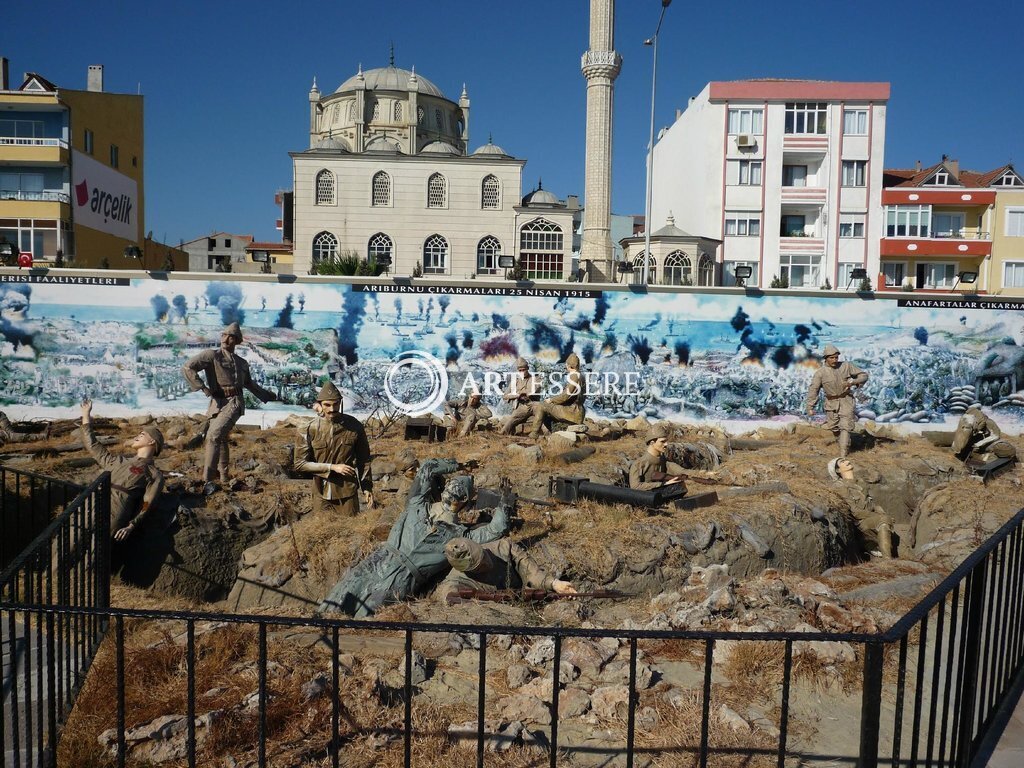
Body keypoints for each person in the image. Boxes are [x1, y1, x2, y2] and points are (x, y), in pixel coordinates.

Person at [318, 459, 513, 617]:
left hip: (400, 576)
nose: (451, 492)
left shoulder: (454, 532)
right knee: (337, 602)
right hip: (380, 562)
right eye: (451, 487)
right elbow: (428, 467)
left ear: (460, 500)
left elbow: (496, 529)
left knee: (364, 618)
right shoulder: (422, 507)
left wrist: (503, 501)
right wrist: (459, 466)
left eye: (456, 490)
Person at [182, 322, 277, 490]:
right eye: (224, 335)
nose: (226, 339)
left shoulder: (242, 363)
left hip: (234, 402)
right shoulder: (212, 355)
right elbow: (188, 367)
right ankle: (223, 477)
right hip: (216, 404)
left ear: (237, 341)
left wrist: (266, 395)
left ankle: (207, 480)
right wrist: (203, 388)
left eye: (231, 337)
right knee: (220, 438)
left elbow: (249, 384)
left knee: (213, 436)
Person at [79, 399, 164, 547]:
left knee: (94, 557)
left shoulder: (154, 473)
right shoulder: (117, 460)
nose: (137, 436)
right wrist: (86, 416)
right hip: (90, 504)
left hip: (114, 513)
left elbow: (147, 503)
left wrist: (131, 525)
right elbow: (93, 445)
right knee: (64, 547)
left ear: (152, 442)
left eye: (142, 434)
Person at [293, 381, 373, 515]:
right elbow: (300, 464)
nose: (332, 409)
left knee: (349, 530)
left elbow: (364, 460)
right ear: (320, 405)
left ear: (340, 402)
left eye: (335, 404)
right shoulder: (308, 428)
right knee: (321, 531)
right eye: (327, 405)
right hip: (320, 491)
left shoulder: (354, 426)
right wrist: (332, 467)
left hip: (347, 491)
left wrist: (367, 487)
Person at [437, 537, 576, 602]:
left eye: (483, 557)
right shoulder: (456, 579)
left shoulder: (504, 547)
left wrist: (554, 584)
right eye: (479, 567)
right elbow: (446, 594)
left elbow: (531, 571)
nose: (486, 564)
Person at [806, 344, 868, 458]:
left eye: (836, 357)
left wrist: (852, 382)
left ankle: (843, 455)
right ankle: (842, 442)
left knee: (845, 426)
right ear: (826, 358)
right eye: (831, 358)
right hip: (831, 403)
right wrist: (810, 407)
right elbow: (813, 390)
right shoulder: (820, 373)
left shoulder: (846, 366)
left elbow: (864, 376)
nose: (834, 360)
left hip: (846, 400)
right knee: (834, 427)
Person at [828, 457, 894, 558]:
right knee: (883, 519)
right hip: (859, 525)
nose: (847, 461)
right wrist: (878, 515)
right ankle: (887, 560)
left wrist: (879, 510)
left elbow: (871, 503)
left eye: (846, 460)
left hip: (871, 520)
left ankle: (874, 546)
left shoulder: (860, 483)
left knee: (886, 519)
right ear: (837, 470)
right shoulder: (840, 487)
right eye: (842, 462)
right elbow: (855, 512)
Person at [528, 353, 586, 439]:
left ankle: (534, 434)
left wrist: (551, 400)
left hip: (571, 411)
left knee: (542, 405)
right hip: (577, 411)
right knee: (548, 411)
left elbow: (565, 396)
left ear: (569, 365)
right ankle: (552, 432)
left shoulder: (574, 376)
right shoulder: (581, 376)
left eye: (566, 364)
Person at [629, 424, 688, 491]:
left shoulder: (663, 460)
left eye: (666, 441)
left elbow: (680, 470)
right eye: (662, 441)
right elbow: (635, 487)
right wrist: (663, 484)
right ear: (652, 442)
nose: (666, 444)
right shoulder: (638, 464)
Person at [951, 405, 1017, 463]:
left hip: (990, 442)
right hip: (978, 441)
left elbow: (996, 435)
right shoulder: (971, 422)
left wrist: (980, 443)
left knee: (1001, 448)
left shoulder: (989, 423)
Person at [499, 357, 539, 435]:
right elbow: (505, 396)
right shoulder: (515, 381)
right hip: (521, 407)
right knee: (511, 421)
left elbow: (532, 391)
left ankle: (549, 437)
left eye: (524, 370)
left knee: (542, 417)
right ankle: (501, 436)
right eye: (520, 370)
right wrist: (517, 395)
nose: (522, 372)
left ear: (527, 369)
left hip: (533, 404)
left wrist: (524, 393)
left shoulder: (535, 379)